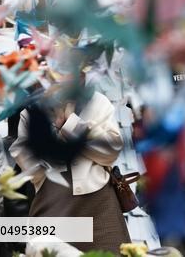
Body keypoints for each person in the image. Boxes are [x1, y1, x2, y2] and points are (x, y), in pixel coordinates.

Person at [10, 84, 131, 253]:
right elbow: (32, 167)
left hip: (99, 205)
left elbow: (110, 152)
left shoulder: (96, 101)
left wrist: (70, 124)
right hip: (52, 205)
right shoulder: (32, 112)